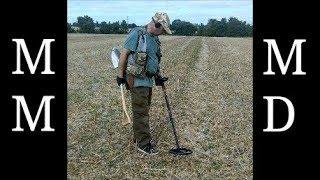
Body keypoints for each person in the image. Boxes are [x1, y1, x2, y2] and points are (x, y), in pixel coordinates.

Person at [116, 12, 172, 155]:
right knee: (141, 112)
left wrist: (158, 76)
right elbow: (123, 55)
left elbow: (153, 59)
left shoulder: (154, 39)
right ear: (157, 25)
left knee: (144, 110)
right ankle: (144, 144)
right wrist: (120, 76)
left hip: (147, 80)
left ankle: (138, 138)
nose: (163, 33)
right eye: (163, 30)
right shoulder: (137, 34)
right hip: (136, 80)